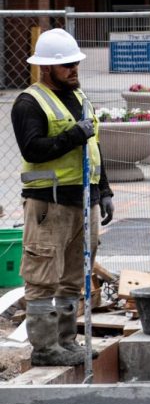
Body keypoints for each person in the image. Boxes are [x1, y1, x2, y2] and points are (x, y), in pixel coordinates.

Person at [13, 29, 114, 366]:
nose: (73, 69)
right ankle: (44, 348)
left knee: (73, 276)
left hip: (83, 202)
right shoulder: (30, 102)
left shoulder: (78, 96)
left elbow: (93, 147)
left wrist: (105, 191)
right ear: (46, 68)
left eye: (75, 63)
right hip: (48, 205)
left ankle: (66, 341)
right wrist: (74, 135)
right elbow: (33, 149)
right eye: (66, 65)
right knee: (43, 278)